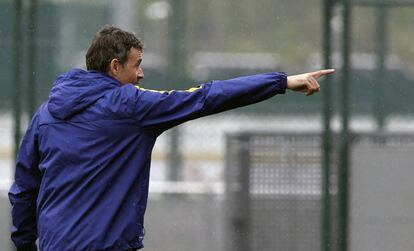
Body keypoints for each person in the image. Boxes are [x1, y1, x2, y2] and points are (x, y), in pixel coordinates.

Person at [8, 25, 334, 251]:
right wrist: (281, 82)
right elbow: (208, 96)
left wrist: (25, 243)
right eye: (137, 65)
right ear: (114, 66)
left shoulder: (46, 112)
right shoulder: (130, 106)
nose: (141, 74)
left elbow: (24, 188)